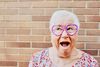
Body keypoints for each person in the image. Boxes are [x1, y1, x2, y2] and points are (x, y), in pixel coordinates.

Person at [28, 10, 99, 67]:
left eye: (70, 28)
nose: (64, 35)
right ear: (51, 34)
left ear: (77, 34)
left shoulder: (90, 63)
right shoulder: (37, 60)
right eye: (58, 29)